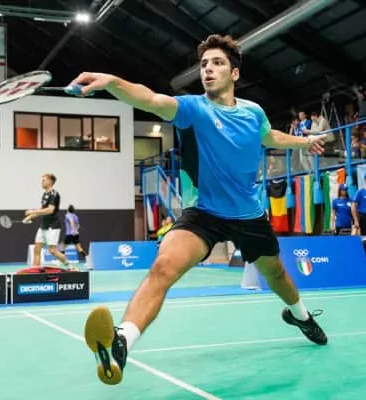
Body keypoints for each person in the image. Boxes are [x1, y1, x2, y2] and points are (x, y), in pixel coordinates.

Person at [71, 34, 328, 386]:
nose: (208, 69)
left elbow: (269, 137)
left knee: (277, 274)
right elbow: (150, 99)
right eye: (204, 64)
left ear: (234, 73)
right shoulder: (193, 109)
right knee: (163, 266)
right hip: (205, 213)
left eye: (217, 63)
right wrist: (112, 82)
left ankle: (301, 315)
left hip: (249, 214)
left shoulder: (253, 112)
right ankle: (122, 342)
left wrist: (304, 141)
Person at [23, 173, 69, 267]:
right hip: (43, 225)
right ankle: (35, 270)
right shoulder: (45, 194)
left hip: (52, 226)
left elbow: (50, 210)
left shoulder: (54, 194)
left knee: (52, 251)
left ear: (50, 181)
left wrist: (32, 211)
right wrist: (30, 216)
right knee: (37, 248)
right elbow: (42, 209)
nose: (41, 182)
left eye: (44, 180)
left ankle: (68, 264)